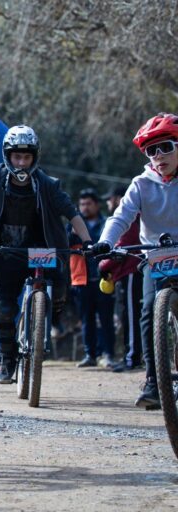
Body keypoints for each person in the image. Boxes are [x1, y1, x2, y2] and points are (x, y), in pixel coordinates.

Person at [0, 125, 92, 384]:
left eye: (27, 157)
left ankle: (45, 324)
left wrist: (89, 241)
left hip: (42, 249)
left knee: (59, 291)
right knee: (4, 308)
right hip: (6, 251)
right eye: (17, 157)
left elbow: (72, 213)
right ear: (8, 156)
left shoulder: (47, 184)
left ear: (34, 157)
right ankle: (7, 359)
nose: (22, 163)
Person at [92, 112, 178, 409]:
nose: (158, 156)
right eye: (151, 150)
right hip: (154, 256)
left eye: (165, 147)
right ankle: (154, 382)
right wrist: (105, 241)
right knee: (148, 310)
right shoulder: (141, 184)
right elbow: (121, 216)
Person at [98, 185, 143, 372]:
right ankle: (132, 356)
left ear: (117, 198)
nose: (108, 202)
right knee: (131, 315)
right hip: (130, 270)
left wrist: (103, 266)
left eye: (109, 199)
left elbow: (124, 244)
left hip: (132, 269)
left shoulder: (129, 213)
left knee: (132, 316)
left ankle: (132, 359)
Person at [74, 188, 116, 369]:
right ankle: (89, 354)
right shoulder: (74, 224)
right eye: (82, 204)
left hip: (104, 278)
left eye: (88, 203)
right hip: (81, 280)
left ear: (96, 205)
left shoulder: (107, 224)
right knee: (86, 319)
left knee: (106, 319)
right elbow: (64, 242)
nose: (85, 207)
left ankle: (108, 355)